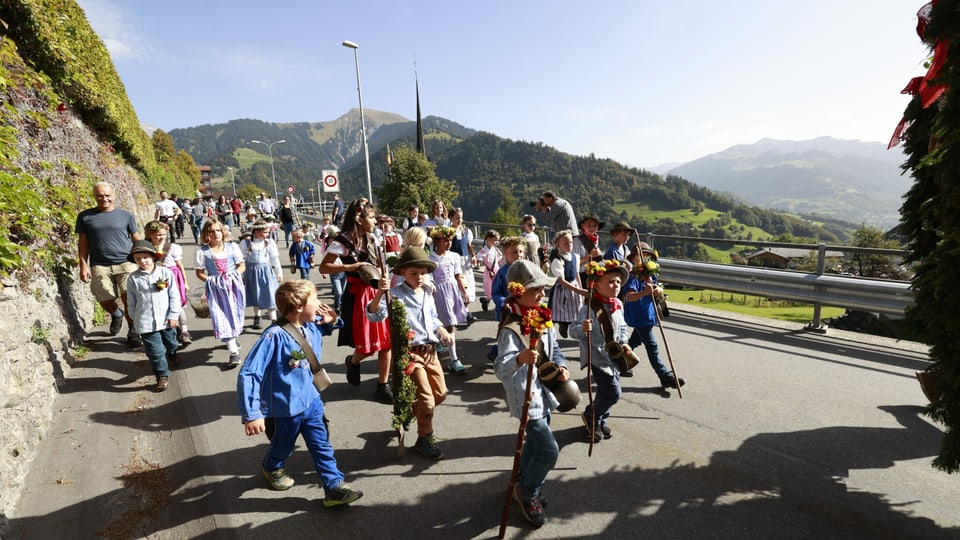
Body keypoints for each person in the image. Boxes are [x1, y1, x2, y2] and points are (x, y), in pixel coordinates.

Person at [237, 279, 363, 507]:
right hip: (286, 408)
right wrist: (252, 413)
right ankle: (271, 466)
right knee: (283, 446)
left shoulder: (311, 324)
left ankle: (334, 487)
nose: (319, 303)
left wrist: (333, 320)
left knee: (321, 445)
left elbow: (326, 327)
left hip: (312, 401)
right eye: (314, 300)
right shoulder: (273, 336)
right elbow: (249, 373)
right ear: (298, 307)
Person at [493, 259, 571, 529]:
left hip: (545, 392)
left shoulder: (542, 316)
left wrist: (561, 366)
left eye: (542, 289)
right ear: (517, 292)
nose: (541, 294)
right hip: (525, 397)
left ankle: (521, 484)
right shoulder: (511, 328)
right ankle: (528, 490)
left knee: (535, 446)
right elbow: (500, 369)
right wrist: (520, 359)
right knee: (549, 451)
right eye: (535, 290)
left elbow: (556, 348)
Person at [366, 247, 454, 460]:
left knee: (440, 394)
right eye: (413, 273)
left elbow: (433, 319)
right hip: (410, 354)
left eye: (422, 272)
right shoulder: (394, 295)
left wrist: (442, 330)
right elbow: (374, 315)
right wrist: (379, 293)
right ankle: (424, 438)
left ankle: (408, 411)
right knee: (427, 399)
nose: (419, 277)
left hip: (431, 352)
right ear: (402, 273)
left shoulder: (427, 293)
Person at [318, 198, 393, 404]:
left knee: (386, 342)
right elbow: (324, 268)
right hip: (359, 295)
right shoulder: (342, 241)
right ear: (360, 219)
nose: (375, 221)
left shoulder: (373, 238)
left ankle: (382, 385)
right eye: (371, 218)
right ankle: (353, 361)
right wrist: (350, 267)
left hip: (378, 290)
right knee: (367, 345)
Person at [570, 259, 630, 443]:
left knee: (605, 393)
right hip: (596, 356)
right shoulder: (589, 307)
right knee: (613, 393)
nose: (616, 286)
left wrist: (625, 342)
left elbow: (622, 328)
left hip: (615, 357)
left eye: (618, 282)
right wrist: (583, 328)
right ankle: (590, 415)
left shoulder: (617, 304)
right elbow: (572, 330)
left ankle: (600, 420)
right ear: (596, 285)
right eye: (610, 282)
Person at [76, 182, 142, 348]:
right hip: (100, 264)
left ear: (113, 195)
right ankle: (116, 313)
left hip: (126, 262)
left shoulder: (126, 216)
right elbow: (83, 243)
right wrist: (83, 265)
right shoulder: (85, 216)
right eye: (100, 195)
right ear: (94, 196)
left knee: (130, 298)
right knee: (104, 298)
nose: (104, 198)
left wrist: (144, 258)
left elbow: (136, 239)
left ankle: (133, 330)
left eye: (107, 195)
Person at [624, 243, 686, 390]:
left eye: (647, 257)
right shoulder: (633, 277)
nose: (644, 259)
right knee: (652, 347)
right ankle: (665, 376)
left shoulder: (650, 276)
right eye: (641, 256)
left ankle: (618, 362)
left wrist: (658, 289)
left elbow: (658, 289)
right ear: (633, 259)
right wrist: (644, 293)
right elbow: (629, 296)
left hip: (649, 315)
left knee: (633, 342)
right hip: (640, 317)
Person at [126, 240, 180, 391]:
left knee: (171, 343)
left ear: (153, 256)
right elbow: (131, 301)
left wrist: (174, 314)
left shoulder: (165, 273)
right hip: (146, 322)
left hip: (167, 320)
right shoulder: (133, 279)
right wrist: (135, 320)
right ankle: (162, 375)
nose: (142, 261)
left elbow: (174, 295)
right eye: (138, 259)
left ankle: (172, 352)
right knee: (155, 352)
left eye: (145, 257)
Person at [195, 219, 246, 366]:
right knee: (221, 316)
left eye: (218, 230)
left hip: (233, 286)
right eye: (211, 231)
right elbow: (199, 272)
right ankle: (234, 353)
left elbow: (241, 265)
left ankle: (232, 337)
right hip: (216, 288)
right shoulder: (202, 251)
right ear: (206, 234)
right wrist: (212, 280)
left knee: (235, 314)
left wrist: (234, 275)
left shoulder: (232, 246)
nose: (216, 233)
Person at [428, 226, 470, 375]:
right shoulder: (431, 258)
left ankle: (439, 341)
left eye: (450, 240)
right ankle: (454, 360)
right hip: (439, 293)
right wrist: (431, 285)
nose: (448, 243)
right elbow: (429, 277)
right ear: (437, 241)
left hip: (452, 292)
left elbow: (458, 275)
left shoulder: (454, 256)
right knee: (450, 325)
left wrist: (464, 292)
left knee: (448, 322)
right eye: (445, 240)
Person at [144, 220, 192, 345]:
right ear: (150, 235)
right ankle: (167, 332)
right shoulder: (146, 248)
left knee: (178, 305)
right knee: (161, 305)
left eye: (164, 234)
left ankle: (185, 331)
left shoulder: (172, 248)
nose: (162, 237)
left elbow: (180, 266)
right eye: (158, 235)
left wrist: (185, 282)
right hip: (156, 278)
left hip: (173, 277)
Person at [241, 219, 283, 330]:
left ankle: (273, 319)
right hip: (251, 272)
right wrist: (242, 275)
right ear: (256, 231)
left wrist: (279, 272)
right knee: (255, 294)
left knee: (270, 294)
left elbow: (274, 258)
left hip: (266, 271)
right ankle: (257, 316)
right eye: (265, 232)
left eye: (268, 232)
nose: (267, 234)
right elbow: (242, 261)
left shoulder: (269, 242)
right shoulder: (245, 243)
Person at [547, 230, 585, 338]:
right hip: (563, 289)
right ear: (558, 245)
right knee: (560, 310)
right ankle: (562, 325)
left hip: (574, 287)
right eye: (566, 243)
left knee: (575, 310)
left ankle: (569, 325)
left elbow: (577, 274)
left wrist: (581, 289)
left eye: (571, 242)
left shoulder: (575, 257)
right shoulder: (557, 260)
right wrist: (579, 290)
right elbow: (561, 281)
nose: (569, 245)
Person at [449, 207, 477, 315]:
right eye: (457, 218)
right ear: (451, 218)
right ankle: (463, 311)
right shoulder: (449, 232)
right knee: (458, 284)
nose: (459, 220)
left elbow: (468, 245)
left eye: (460, 218)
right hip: (454, 260)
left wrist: (473, 256)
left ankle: (465, 308)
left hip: (465, 260)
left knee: (467, 283)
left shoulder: (466, 231)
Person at [572, 213, 605, 284]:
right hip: (582, 277)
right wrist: (590, 256)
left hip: (594, 275)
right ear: (583, 226)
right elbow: (574, 263)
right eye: (589, 225)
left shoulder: (596, 239)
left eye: (595, 225)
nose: (592, 228)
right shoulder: (577, 241)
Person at [476, 230, 502, 312]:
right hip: (489, 272)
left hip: (496, 271)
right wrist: (479, 262)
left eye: (497, 240)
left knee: (497, 288)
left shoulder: (495, 249)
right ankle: (496, 304)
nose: (496, 242)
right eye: (495, 240)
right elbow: (479, 257)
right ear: (488, 239)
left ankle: (487, 301)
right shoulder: (485, 250)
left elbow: (499, 259)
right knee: (491, 289)